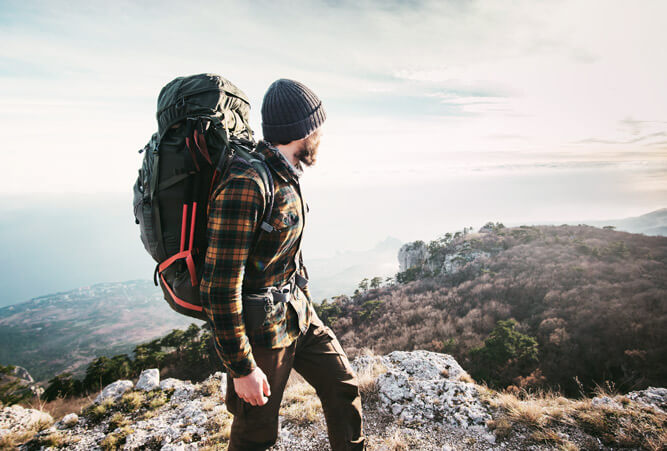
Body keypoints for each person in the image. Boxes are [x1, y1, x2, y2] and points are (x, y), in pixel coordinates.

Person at [200, 78, 366, 451]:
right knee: (256, 433)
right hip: (262, 335)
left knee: (342, 387)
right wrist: (242, 369)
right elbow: (219, 287)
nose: (321, 134)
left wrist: (304, 298)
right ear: (302, 131)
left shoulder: (285, 174)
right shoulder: (248, 182)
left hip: (297, 315)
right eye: (317, 126)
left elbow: (287, 251)